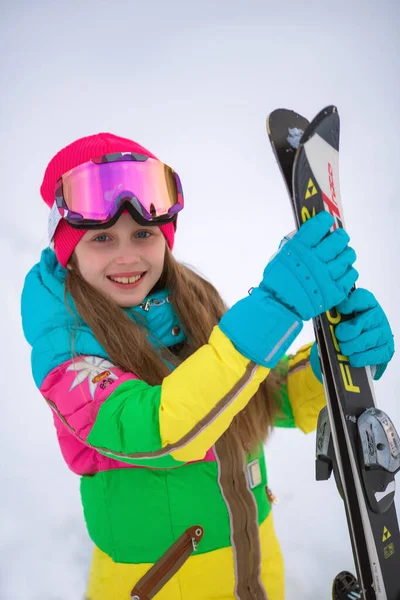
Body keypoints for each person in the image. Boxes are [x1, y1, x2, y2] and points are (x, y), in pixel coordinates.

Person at [21, 132, 394, 600]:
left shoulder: (189, 301)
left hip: (253, 568)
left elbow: (257, 397)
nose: (127, 256)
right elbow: (160, 430)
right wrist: (275, 308)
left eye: (143, 234)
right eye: (101, 238)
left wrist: (327, 366)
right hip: (157, 584)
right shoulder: (67, 349)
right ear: (66, 249)